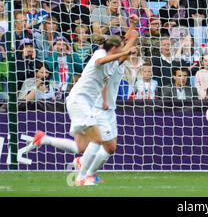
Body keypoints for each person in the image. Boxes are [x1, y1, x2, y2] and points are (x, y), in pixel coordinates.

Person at [25, 34, 138, 186]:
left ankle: (43, 139)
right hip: (79, 100)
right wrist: (125, 52)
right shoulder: (100, 54)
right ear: (113, 49)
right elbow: (100, 61)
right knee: (97, 139)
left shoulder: (113, 64)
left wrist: (132, 31)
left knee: (81, 147)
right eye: (120, 49)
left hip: (84, 103)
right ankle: (81, 178)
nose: (123, 51)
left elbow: (125, 49)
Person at [73, 19, 139, 183]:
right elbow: (127, 45)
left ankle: (88, 171)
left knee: (110, 148)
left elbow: (128, 40)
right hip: (98, 107)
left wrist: (132, 26)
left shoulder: (116, 58)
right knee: (103, 144)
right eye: (121, 48)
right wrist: (132, 37)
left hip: (109, 108)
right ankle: (84, 170)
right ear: (115, 48)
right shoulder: (106, 57)